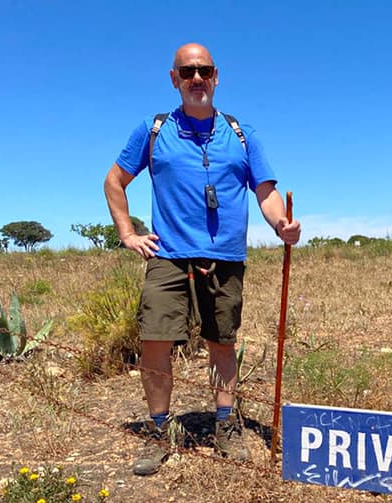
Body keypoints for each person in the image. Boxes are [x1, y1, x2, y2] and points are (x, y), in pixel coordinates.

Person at [104, 42, 301, 475]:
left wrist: (280, 224)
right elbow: (114, 181)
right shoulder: (153, 130)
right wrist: (127, 233)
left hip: (224, 256)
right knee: (155, 342)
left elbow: (265, 191)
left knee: (222, 343)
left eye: (204, 71)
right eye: (188, 72)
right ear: (174, 79)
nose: (197, 79)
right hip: (169, 255)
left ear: (217, 77)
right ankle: (159, 429)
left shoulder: (241, 133)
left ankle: (225, 424)